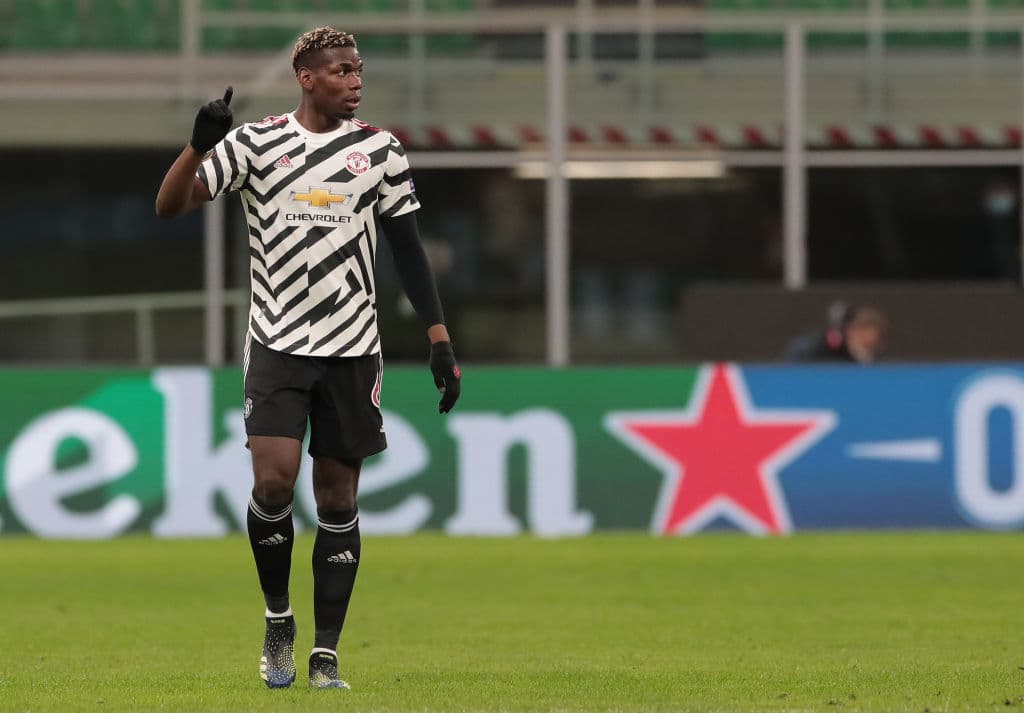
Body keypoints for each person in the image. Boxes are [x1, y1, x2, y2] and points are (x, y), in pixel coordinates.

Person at [155, 26, 462, 690]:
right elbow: (169, 205)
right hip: (277, 342)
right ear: (307, 78)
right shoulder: (256, 143)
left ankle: (326, 655)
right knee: (273, 483)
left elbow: (408, 249)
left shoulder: (380, 150)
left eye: (359, 69)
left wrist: (438, 339)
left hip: (353, 347)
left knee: (337, 496)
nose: (356, 81)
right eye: (342, 70)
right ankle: (278, 620)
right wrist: (198, 145)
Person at [783, 301, 888, 364]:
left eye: (874, 333)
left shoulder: (879, 355)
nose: (870, 337)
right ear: (852, 331)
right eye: (865, 332)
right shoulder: (830, 347)